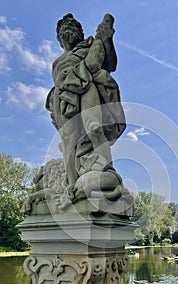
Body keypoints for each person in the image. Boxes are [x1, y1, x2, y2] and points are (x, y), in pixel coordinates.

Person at [46, 13, 126, 200]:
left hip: (87, 85)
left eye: (74, 26)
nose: (69, 29)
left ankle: (108, 171)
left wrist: (107, 38)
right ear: (59, 39)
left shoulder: (90, 44)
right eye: (65, 28)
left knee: (95, 129)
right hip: (63, 97)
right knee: (69, 142)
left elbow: (110, 64)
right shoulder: (56, 63)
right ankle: (72, 187)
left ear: (80, 33)